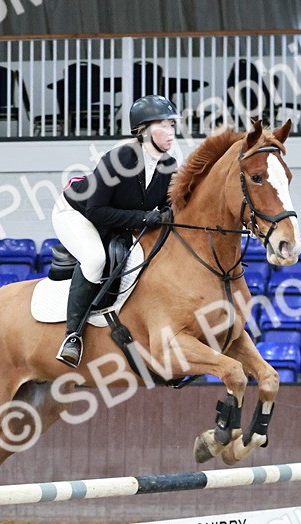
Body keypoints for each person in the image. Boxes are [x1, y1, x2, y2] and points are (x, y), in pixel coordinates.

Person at [52, 94, 180, 367]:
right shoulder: (119, 158)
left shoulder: (168, 165)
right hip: (76, 213)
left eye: (172, 125)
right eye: (164, 125)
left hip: (117, 218)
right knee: (96, 258)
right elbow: (95, 211)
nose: (171, 132)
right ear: (142, 131)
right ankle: (72, 336)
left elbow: (167, 208)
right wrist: (144, 216)